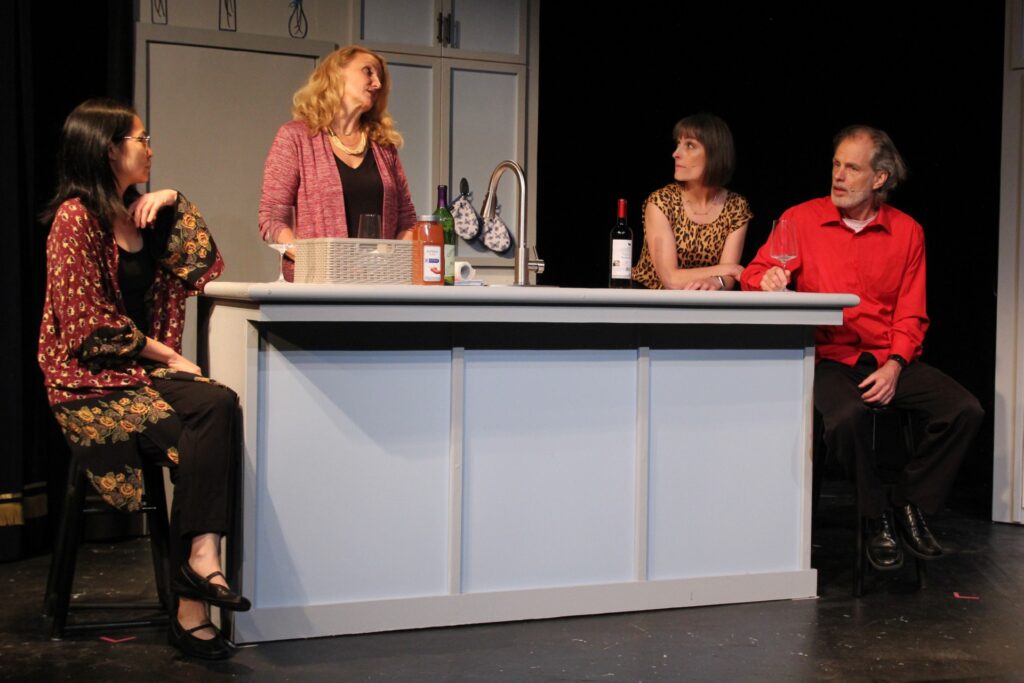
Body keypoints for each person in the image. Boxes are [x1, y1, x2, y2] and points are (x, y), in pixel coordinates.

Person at [38, 99, 249, 660]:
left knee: (219, 405)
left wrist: (175, 200)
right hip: (89, 382)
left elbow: (205, 266)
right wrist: (167, 356)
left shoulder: (143, 215)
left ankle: (200, 563)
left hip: (139, 375)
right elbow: (88, 327)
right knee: (204, 426)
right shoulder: (74, 220)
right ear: (110, 150)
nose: (150, 146)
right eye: (140, 138)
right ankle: (191, 608)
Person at [740, 125, 983, 570]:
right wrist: (768, 279)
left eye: (852, 168)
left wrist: (894, 365)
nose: (839, 176)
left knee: (964, 409)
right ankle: (874, 518)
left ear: (879, 178)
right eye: (836, 164)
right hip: (830, 357)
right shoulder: (801, 219)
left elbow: (912, 314)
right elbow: (754, 273)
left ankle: (907, 502)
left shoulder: (908, 232)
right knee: (847, 417)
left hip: (889, 357)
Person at [259, 45, 417, 279]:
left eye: (379, 78)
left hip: (378, 285)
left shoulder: (383, 146)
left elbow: (407, 220)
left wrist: (389, 261)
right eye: (368, 72)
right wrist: (318, 263)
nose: (377, 84)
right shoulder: (295, 137)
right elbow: (272, 218)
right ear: (337, 73)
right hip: (314, 286)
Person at [632, 113, 751, 290]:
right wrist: (725, 270)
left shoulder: (736, 207)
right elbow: (671, 279)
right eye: (678, 144)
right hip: (652, 302)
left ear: (714, 154)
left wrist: (717, 281)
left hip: (706, 303)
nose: (675, 154)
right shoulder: (661, 202)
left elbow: (729, 279)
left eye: (689, 145)